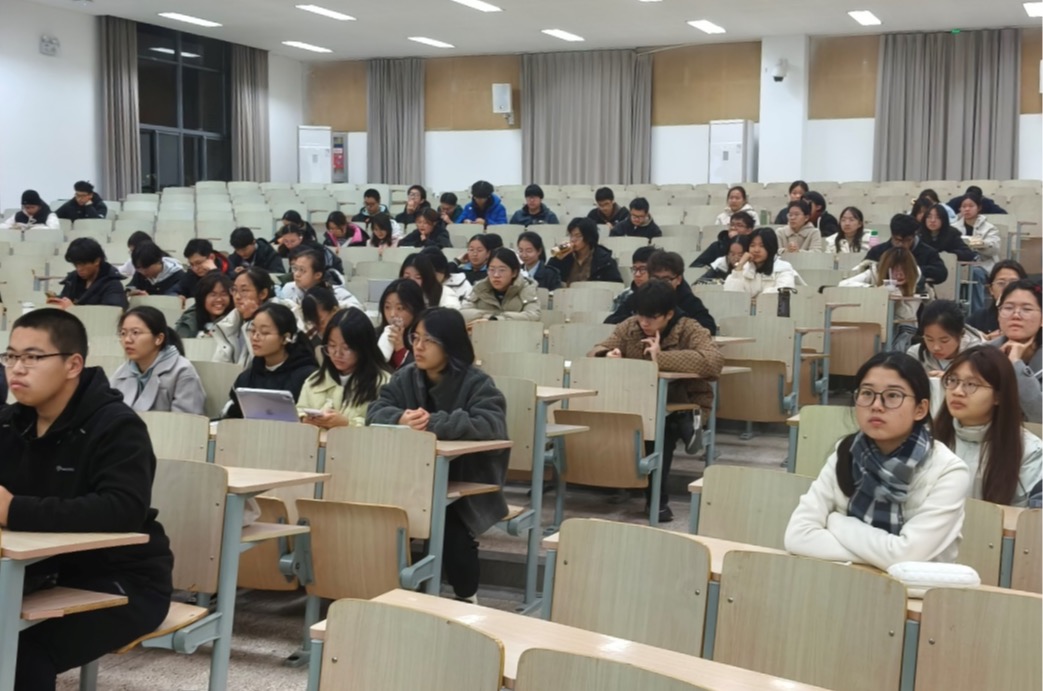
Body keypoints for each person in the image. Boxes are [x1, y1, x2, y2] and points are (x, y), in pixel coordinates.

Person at [0, 309, 173, 689]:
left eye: (32, 357)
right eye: (10, 356)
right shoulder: (9, 422)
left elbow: (123, 510)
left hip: (120, 578)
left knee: (20, 652)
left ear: (73, 364)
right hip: (33, 571)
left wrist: (15, 509)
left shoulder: (117, 426)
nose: (17, 368)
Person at [366, 307, 509, 603]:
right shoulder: (406, 376)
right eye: (415, 338)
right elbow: (375, 411)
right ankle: (381, 591)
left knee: (450, 526)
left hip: (463, 481)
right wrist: (399, 418)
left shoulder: (477, 382)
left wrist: (433, 422)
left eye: (429, 340)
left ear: (450, 344)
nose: (418, 347)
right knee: (378, 517)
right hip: (410, 477)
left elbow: (492, 424)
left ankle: (467, 598)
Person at [784, 351, 970, 571]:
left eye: (893, 395)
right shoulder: (846, 451)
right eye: (867, 393)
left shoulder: (949, 471)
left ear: (920, 409)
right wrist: (884, 557)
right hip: (845, 581)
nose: (876, 405)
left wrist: (837, 522)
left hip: (918, 590)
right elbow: (797, 536)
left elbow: (907, 556)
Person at [589, 282, 724, 522]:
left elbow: (713, 362)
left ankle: (657, 501)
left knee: (661, 430)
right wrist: (606, 354)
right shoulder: (630, 326)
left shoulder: (690, 329)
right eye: (640, 315)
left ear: (669, 314)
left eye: (652, 318)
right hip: (636, 399)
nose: (644, 323)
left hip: (682, 401)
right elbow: (597, 348)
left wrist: (661, 358)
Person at [935, 346, 1042, 508]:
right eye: (953, 380)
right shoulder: (928, 439)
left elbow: (1032, 517)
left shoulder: (1029, 451)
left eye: (971, 384)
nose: (957, 391)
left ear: (998, 396)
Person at [297, 308, 391, 428]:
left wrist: (347, 424)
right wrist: (304, 419)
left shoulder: (383, 383)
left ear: (364, 348)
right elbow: (299, 410)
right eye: (332, 346)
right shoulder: (315, 380)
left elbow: (384, 427)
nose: (337, 354)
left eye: (346, 348)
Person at [224, 303, 318, 418]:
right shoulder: (246, 378)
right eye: (253, 330)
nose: (255, 337)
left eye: (265, 332)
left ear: (285, 338)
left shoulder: (308, 377)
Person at [111, 307, 205, 414]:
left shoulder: (183, 372)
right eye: (123, 333)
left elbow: (185, 421)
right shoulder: (123, 370)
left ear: (159, 339)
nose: (127, 340)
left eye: (135, 332)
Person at [841, 246, 922, 351]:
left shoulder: (916, 273)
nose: (899, 274)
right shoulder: (874, 272)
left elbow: (906, 315)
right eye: (895, 269)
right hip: (874, 316)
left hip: (901, 322)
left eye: (904, 270)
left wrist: (899, 297)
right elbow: (843, 284)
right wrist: (876, 290)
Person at [990, 279, 1042, 422]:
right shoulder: (982, 353)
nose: (1016, 315)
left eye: (1027, 309)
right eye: (1008, 308)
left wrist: (1015, 364)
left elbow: (1039, 415)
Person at [212, 268, 276, 366]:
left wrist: (251, 320)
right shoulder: (228, 323)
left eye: (244, 290)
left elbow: (261, 362)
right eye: (234, 290)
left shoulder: (278, 318)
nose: (237, 297)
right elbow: (220, 363)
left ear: (263, 294)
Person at [865, 214, 947, 288]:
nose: (901, 244)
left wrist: (912, 270)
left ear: (914, 236)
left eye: (907, 240)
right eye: (897, 240)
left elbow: (941, 273)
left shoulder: (928, 252)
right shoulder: (878, 251)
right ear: (892, 235)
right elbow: (864, 269)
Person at [460, 248, 541, 323]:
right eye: (492, 269)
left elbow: (533, 316)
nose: (496, 275)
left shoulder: (526, 287)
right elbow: (463, 313)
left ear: (514, 273)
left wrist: (495, 319)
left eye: (502, 270)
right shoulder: (480, 287)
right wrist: (490, 317)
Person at [907, 300, 986, 376]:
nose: (936, 347)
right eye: (929, 339)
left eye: (944, 340)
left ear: (961, 334)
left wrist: (951, 379)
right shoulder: (915, 355)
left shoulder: (978, 356)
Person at [277, 248, 362, 317]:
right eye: (295, 269)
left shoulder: (336, 292)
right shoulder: (288, 288)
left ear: (317, 275)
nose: (296, 274)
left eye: (302, 270)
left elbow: (357, 311)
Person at [724, 227, 804, 297]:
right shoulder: (744, 268)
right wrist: (740, 266)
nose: (756, 250)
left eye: (762, 246)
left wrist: (757, 299)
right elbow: (731, 296)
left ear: (771, 248)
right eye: (752, 245)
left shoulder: (783, 268)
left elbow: (784, 293)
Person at [50, 237, 128, 309]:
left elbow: (112, 313)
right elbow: (65, 298)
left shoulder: (113, 284)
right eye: (75, 265)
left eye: (83, 264)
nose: (79, 269)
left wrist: (73, 309)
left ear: (97, 261)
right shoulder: (72, 280)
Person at [957, 191, 1001, 313]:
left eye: (971, 206)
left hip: (982, 265)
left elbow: (995, 248)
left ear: (979, 208)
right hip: (958, 265)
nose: (967, 209)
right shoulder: (953, 227)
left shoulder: (989, 228)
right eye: (964, 206)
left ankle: (977, 313)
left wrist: (980, 244)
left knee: (974, 273)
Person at [548, 218, 623, 286]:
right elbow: (548, 279)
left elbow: (615, 285)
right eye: (571, 235)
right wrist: (557, 259)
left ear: (589, 237)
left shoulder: (604, 260)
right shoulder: (566, 257)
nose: (573, 240)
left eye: (578, 236)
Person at [967, 260, 1027, 337]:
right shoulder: (979, 318)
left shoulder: (1034, 316)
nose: (1007, 288)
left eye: (1013, 283)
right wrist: (987, 340)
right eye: (1001, 283)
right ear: (991, 289)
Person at [376, 279, 426, 370]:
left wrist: (400, 349)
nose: (392, 314)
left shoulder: (424, 339)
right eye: (387, 307)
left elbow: (420, 374)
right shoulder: (375, 335)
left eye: (400, 308)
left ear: (416, 309)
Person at [605, 245, 657, 325]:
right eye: (634, 269)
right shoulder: (625, 295)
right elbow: (610, 322)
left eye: (643, 269)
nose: (637, 274)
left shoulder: (665, 295)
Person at [175, 272, 234, 339]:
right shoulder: (189, 321)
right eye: (213, 295)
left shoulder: (236, 321)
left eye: (224, 294)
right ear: (202, 298)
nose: (219, 299)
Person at [275, 223, 345, 276]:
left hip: (330, 272)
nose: (289, 244)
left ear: (300, 238)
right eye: (286, 241)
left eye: (293, 241)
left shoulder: (311, 249)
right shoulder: (283, 249)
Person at [690, 212, 755, 268]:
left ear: (749, 230)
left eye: (739, 225)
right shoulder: (717, 246)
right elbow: (696, 265)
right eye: (732, 225)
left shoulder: (752, 247)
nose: (733, 228)